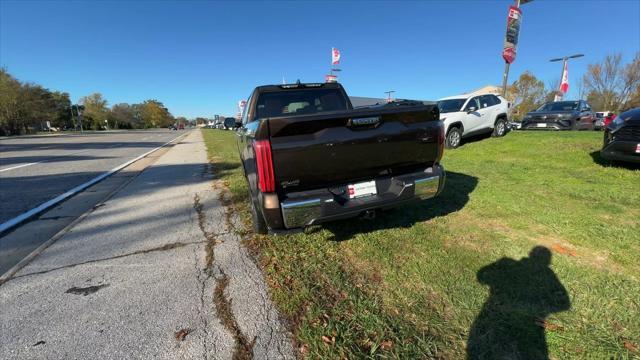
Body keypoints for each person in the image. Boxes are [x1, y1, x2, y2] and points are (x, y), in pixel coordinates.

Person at [467, 246, 570, 359]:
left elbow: (481, 276)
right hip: (511, 321)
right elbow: (482, 276)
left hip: (508, 320)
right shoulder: (544, 272)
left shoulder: (511, 264)